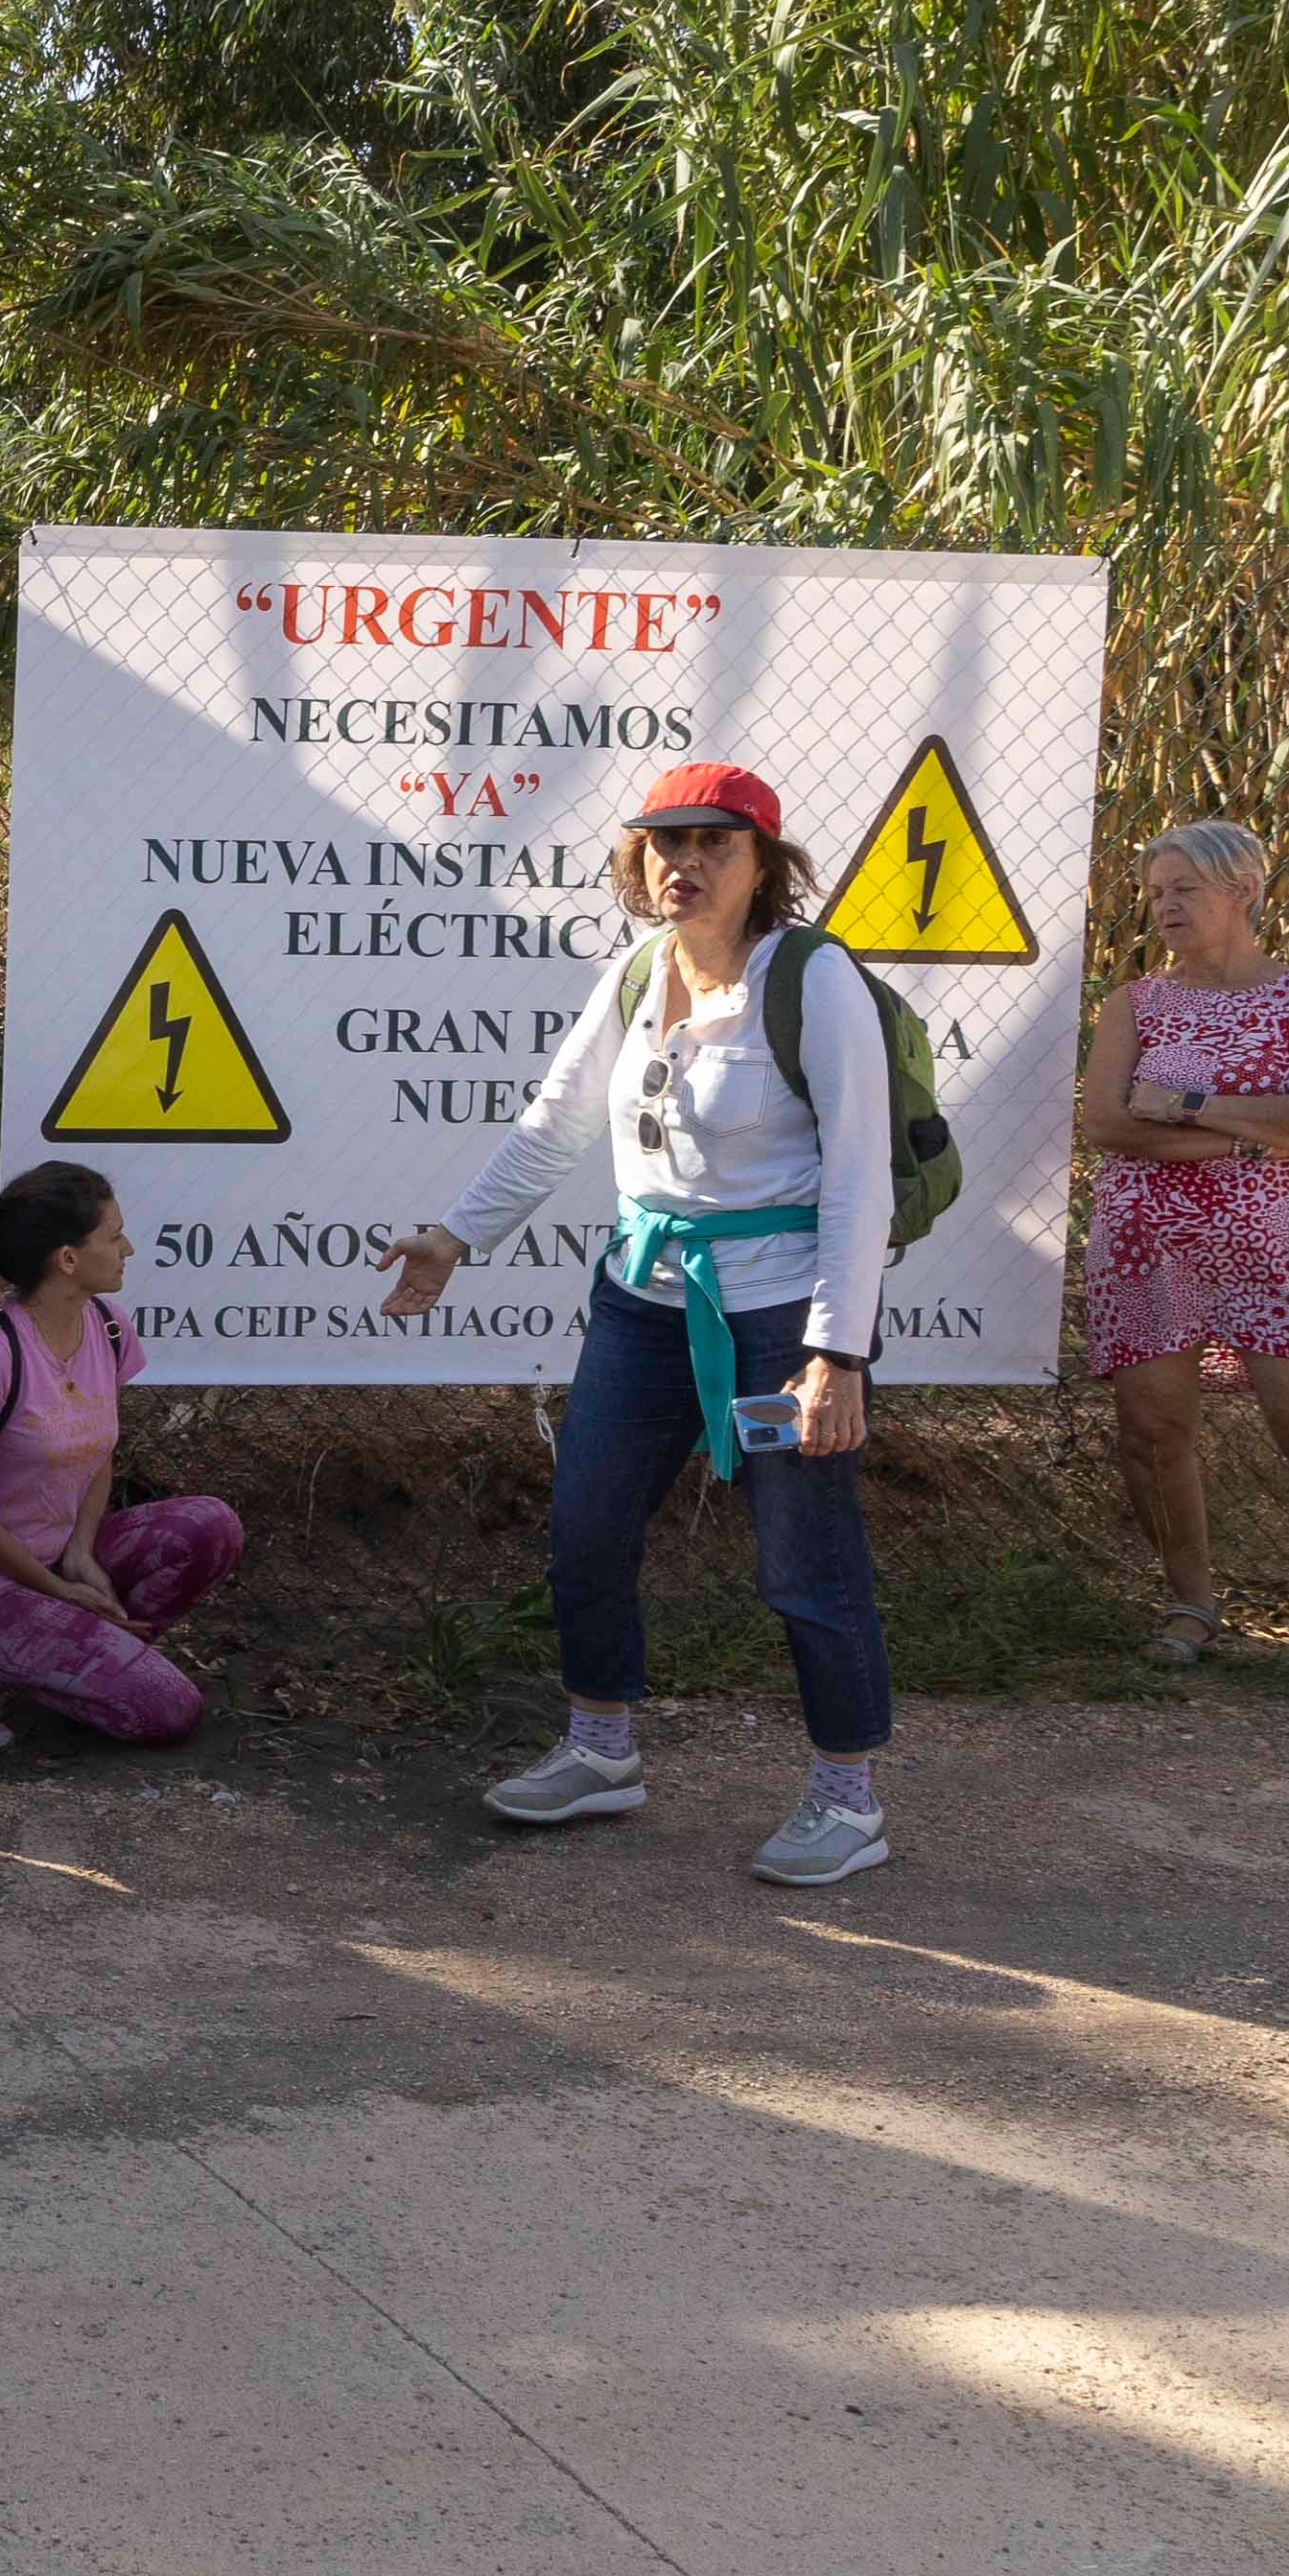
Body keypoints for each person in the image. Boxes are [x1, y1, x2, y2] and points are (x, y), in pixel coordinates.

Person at [382, 764, 901, 1886]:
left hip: (780, 1313)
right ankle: (601, 1748)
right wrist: (453, 1237)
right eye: (665, 844)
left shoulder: (812, 981)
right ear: (636, 862)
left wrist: (835, 1351)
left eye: (717, 843)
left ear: (765, 864)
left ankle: (848, 1798)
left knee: (803, 1561)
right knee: (587, 1526)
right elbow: (552, 1129)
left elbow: (862, 1179)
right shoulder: (631, 974)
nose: (686, 863)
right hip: (642, 1294)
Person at [1080, 819, 1289, 1674]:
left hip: (1286, 1245)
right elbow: (1109, 1123)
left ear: (1243, 891)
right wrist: (1254, 1133)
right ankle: (1190, 1605)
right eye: (1155, 894)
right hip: (1151, 1241)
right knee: (1152, 1428)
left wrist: (1181, 1103)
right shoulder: (1136, 1003)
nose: (1166, 907)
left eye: (1184, 889)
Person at [0, 1164, 243, 1754]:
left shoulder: (110, 1328)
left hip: (56, 1561)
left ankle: (66, 1660)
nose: (129, 1248)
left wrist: (82, 1554)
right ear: (67, 1259)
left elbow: (99, 1452)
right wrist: (56, 1590)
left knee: (210, 1526)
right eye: (114, 1236)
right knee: (170, 1713)